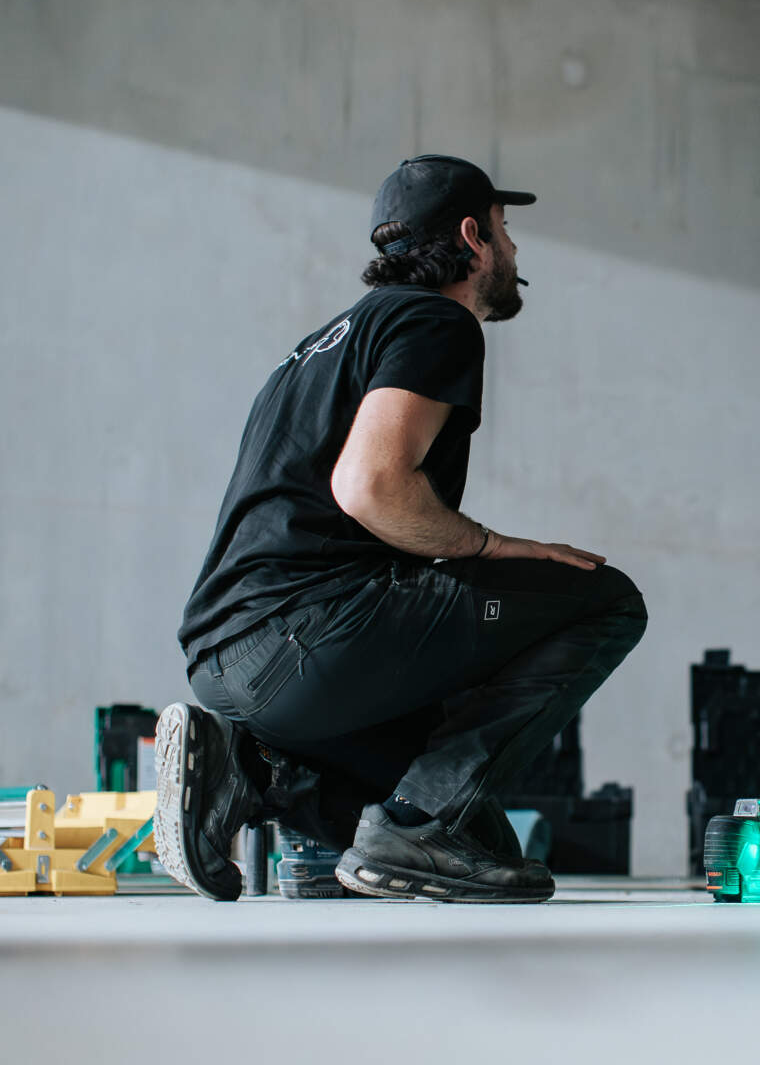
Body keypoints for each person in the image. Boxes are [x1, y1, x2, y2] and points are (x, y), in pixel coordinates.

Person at [154, 154, 647, 904]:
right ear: (472, 237)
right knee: (602, 598)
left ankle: (260, 776)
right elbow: (372, 487)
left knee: (486, 846)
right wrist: (493, 547)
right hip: (309, 638)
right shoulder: (436, 320)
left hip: (233, 660)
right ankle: (409, 823)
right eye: (507, 232)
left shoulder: (321, 344)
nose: (514, 253)